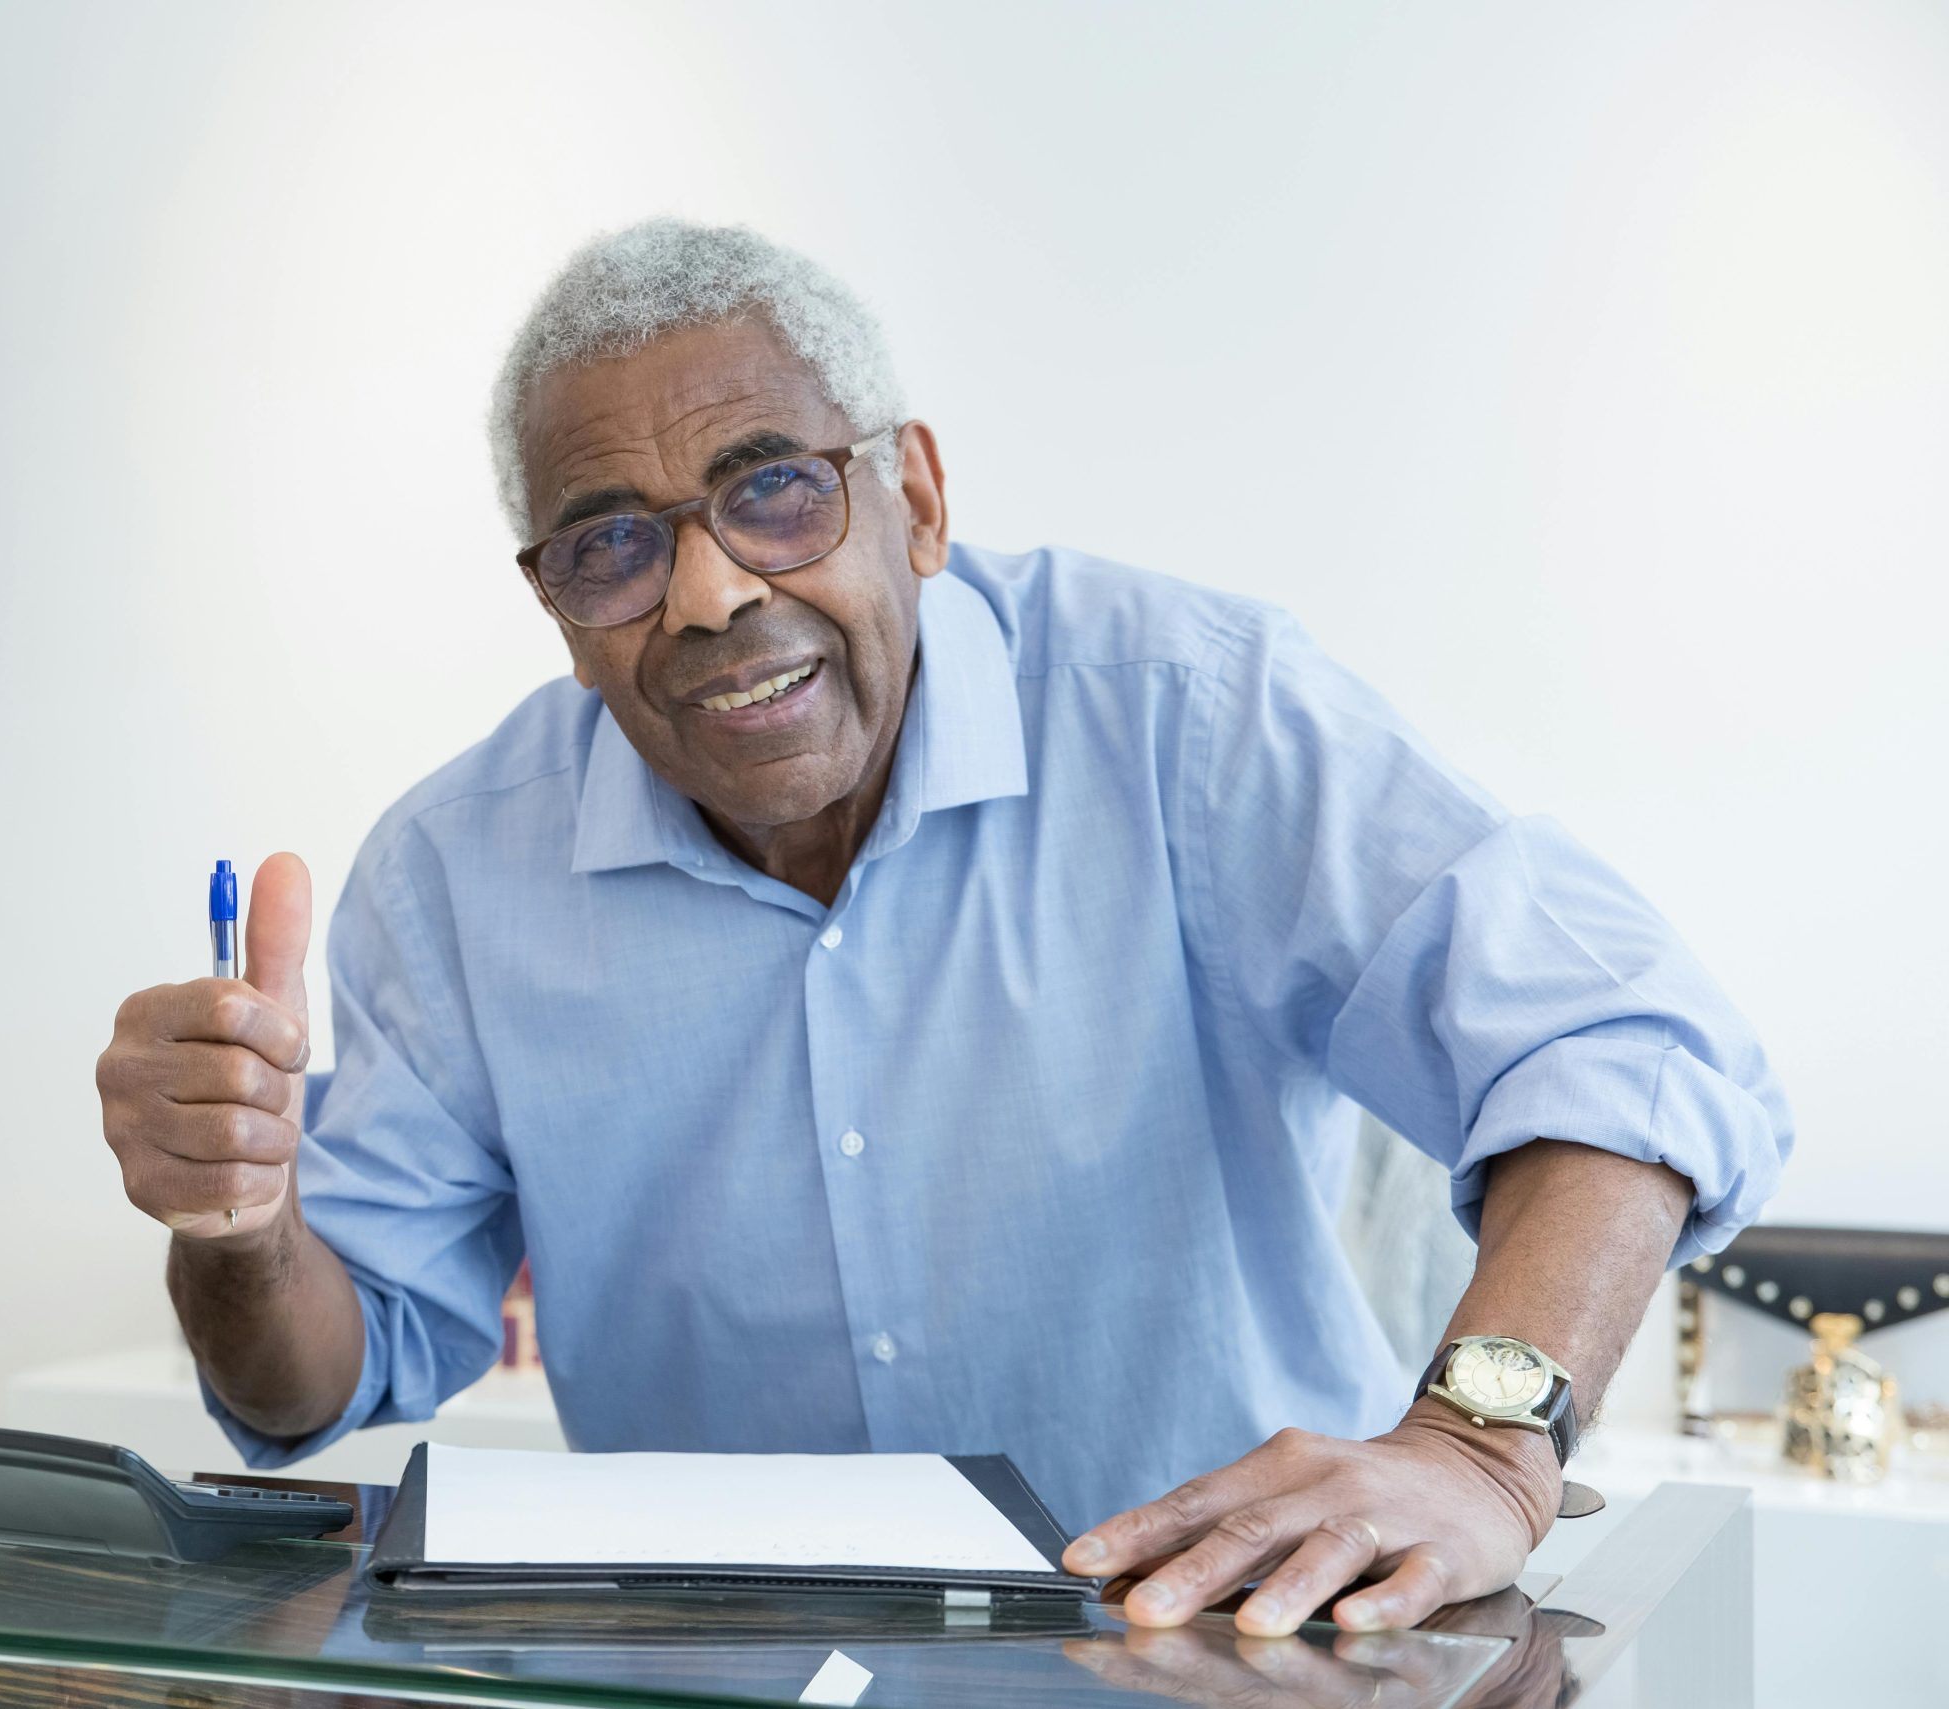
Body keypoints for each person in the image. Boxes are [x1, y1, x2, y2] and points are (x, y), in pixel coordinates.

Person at [96, 219, 1788, 1637]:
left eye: (774, 493)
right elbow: (323, 1377)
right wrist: (240, 1227)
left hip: (1220, 1654)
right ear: (553, 601)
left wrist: (1482, 1447)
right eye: (613, 545)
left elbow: (1626, 1041)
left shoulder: (1184, 716)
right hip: (719, 1678)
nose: (708, 595)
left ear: (914, 494)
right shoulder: (457, 870)